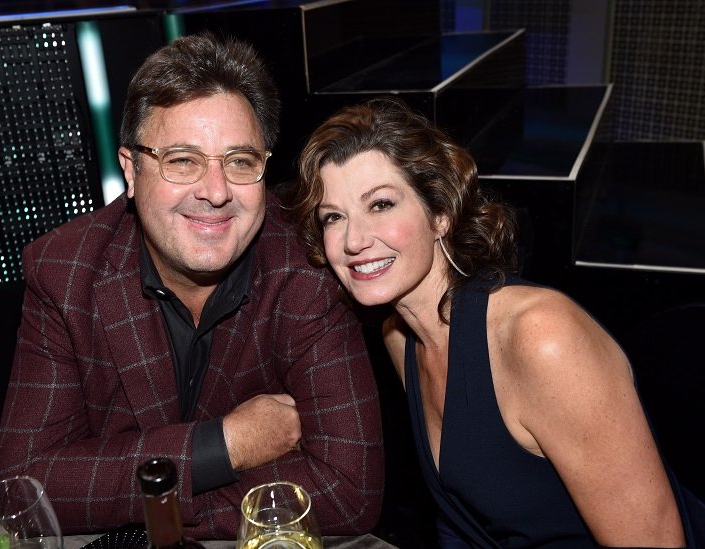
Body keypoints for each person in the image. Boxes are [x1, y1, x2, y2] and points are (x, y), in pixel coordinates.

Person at [0, 33, 384, 540]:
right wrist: (224, 446)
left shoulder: (309, 271)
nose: (216, 191)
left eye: (241, 161)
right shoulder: (65, 272)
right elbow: (27, 489)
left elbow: (347, 494)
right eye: (182, 160)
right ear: (132, 171)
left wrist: (156, 508)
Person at [287, 96, 688, 547]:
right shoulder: (400, 340)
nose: (353, 240)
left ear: (440, 213)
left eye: (380, 204)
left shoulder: (542, 337)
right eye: (333, 217)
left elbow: (656, 541)